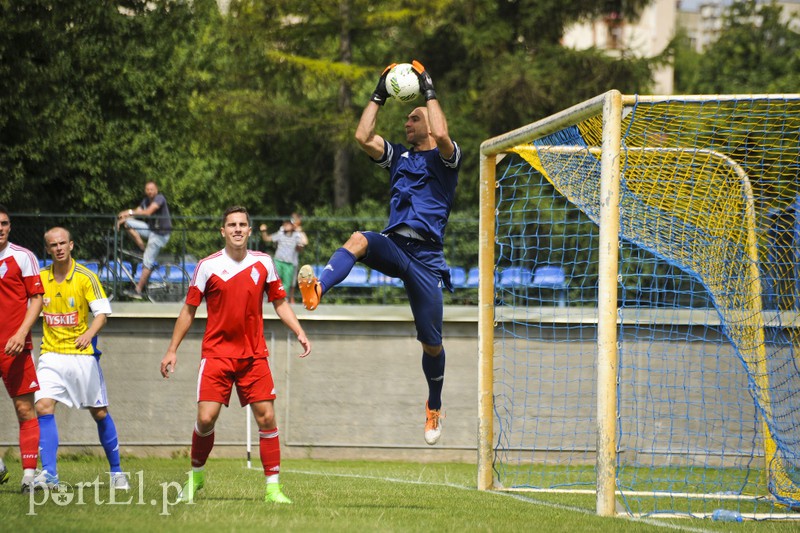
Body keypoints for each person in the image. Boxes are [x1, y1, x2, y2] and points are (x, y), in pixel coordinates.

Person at [297, 60, 461, 446]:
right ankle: (318, 287)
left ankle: (434, 404)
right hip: (394, 245)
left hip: (425, 260)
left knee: (432, 344)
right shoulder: (398, 157)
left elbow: (441, 131)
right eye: (405, 117)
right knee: (359, 238)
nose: (407, 122)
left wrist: (428, 88)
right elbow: (361, 135)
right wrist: (379, 92)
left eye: (413, 117)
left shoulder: (446, 158)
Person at [160, 206, 311, 504]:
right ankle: (196, 476)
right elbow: (189, 311)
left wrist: (299, 330)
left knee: (267, 418)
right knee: (205, 419)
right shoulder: (207, 266)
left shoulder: (264, 262)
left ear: (250, 231)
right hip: (216, 354)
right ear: (223, 231)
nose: (238, 229)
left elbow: (280, 303)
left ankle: (273, 489)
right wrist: (171, 350)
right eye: (232, 225)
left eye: (242, 224)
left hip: (254, 356)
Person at [33, 227, 129, 490]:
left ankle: (117, 472)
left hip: (81, 356)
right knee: (42, 406)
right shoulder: (40, 278)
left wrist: (88, 333)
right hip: (50, 355)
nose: (59, 248)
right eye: (53, 245)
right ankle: (50, 474)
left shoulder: (86, 276)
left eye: (63, 243)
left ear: (72, 245)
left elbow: (101, 314)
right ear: (48, 249)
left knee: (99, 412)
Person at [0, 204, 44, 492]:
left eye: (3, 223)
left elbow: (37, 299)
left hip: (14, 347)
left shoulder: (23, 257)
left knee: (24, 409)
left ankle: (29, 475)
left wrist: (21, 333)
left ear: (9, 227)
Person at [116, 180, 172, 299]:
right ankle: (142, 247)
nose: (150, 192)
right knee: (128, 223)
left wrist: (128, 212)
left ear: (156, 190)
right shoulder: (146, 201)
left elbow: (147, 212)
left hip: (160, 235)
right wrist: (124, 217)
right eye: (147, 189)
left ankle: (138, 290)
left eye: (152, 189)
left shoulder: (159, 198)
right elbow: (137, 212)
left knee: (147, 262)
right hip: (152, 230)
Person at [258, 215, 307, 304]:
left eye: (288, 224)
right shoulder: (280, 234)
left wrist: (300, 231)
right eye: (285, 223)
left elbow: (305, 241)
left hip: (289, 264)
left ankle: (281, 301)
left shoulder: (296, 235)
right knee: (272, 280)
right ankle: (266, 298)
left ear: (292, 226)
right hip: (278, 261)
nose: (285, 225)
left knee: (287, 285)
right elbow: (267, 238)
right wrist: (263, 231)